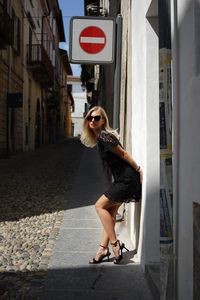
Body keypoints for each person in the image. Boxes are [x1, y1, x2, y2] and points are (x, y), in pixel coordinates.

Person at [81, 106, 142, 264]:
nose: (93, 121)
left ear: (103, 121)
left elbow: (123, 154)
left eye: (96, 118)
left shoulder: (105, 137)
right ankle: (102, 249)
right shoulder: (100, 138)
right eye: (90, 118)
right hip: (122, 179)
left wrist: (139, 169)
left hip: (127, 179)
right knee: (111, 214)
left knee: (99, 206)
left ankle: (115, 245)